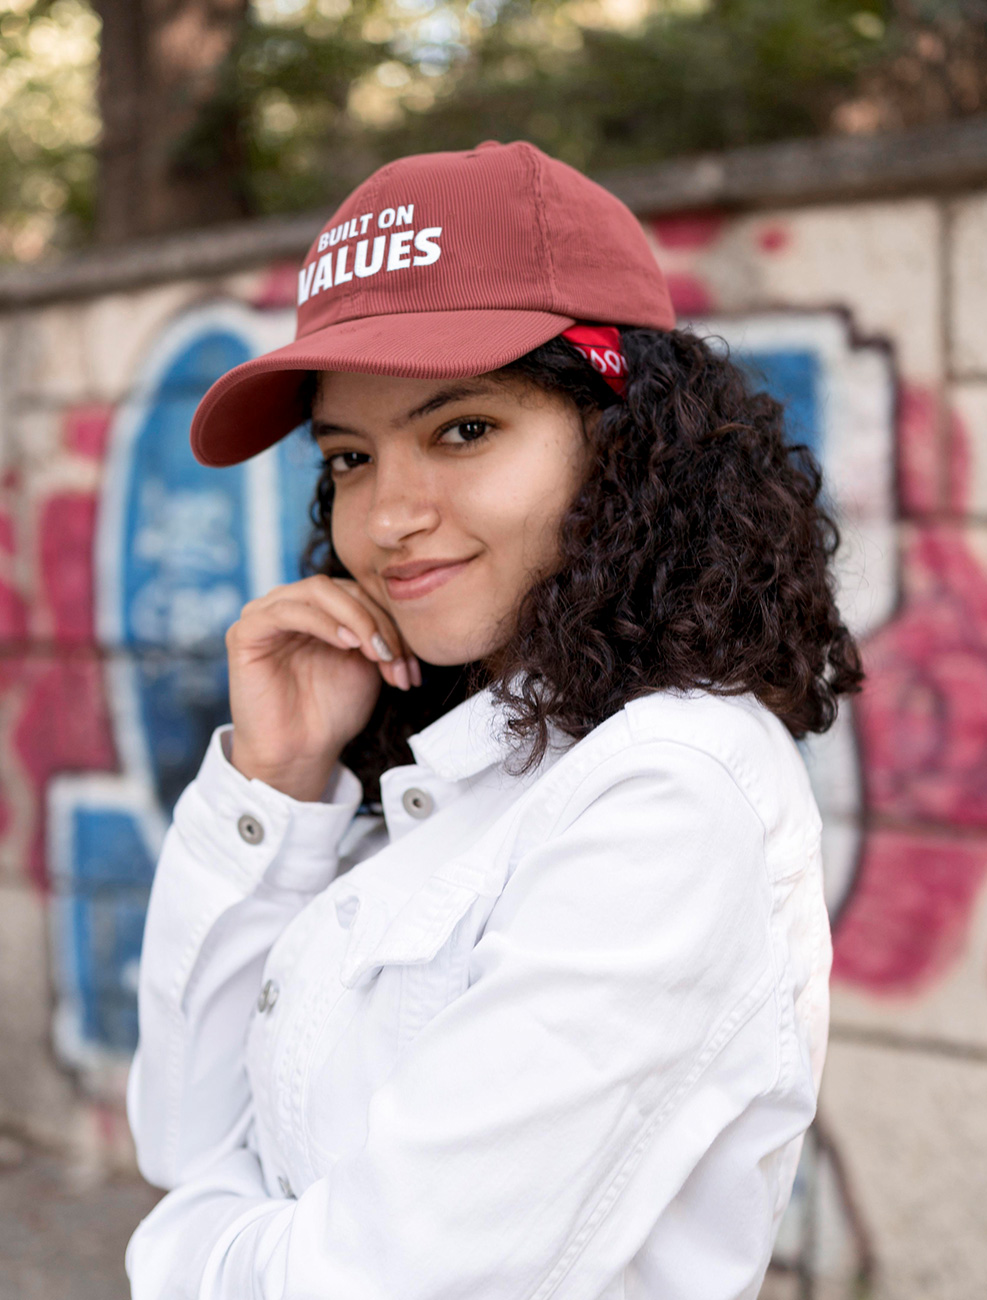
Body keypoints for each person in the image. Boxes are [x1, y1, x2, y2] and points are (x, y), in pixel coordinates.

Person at [124, 140, 862, 1300]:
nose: (388, 517)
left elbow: (376, 1279)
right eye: (351, 456)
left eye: (463, 430)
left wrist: (179, 1249)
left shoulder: (667, 792)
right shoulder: (463, 761)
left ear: (628, 439)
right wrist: (276, 779)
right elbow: (181, 1132)